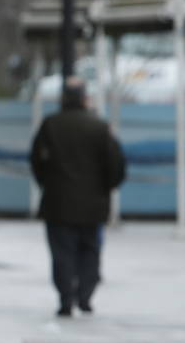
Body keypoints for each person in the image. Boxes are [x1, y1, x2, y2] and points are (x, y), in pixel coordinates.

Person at [29, 77, 127, 317]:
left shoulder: (50, 125)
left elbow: (36, 161)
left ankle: (65, 298)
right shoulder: (99, 127)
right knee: (89, 250)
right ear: (85, 98)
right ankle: (85, 295)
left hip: (58, 203)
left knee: (62, 252)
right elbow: (116, 164)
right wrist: (106, 188)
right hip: (93, 204)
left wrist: (47, 184)